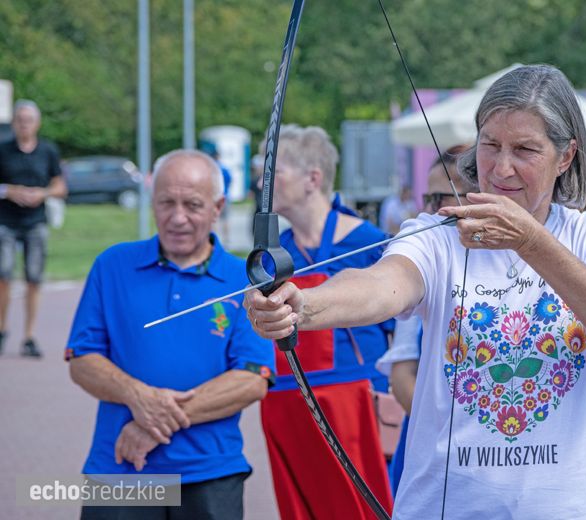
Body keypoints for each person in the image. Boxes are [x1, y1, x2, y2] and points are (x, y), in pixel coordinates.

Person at [246, 65, 586, 518]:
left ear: (565, 155)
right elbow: (384, 285)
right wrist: (306, 304)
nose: (501, 168)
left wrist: (531, 242)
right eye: (490, 145)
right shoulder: (437, 234)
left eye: (525, 150)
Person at [66, 149, 276, 520]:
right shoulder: (112, 265)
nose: (178, 217)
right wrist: (138, 396)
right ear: (152, 200)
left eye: (193, 205)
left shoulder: (245, 279)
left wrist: (150, 424)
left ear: (218, 207)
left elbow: (252, 379)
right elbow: (82, 360)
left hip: (210, 472)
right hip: (120, 468)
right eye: (166, 202)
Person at [256, 124, 394, 520]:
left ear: (312, 178)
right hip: (292, 405)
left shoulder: (371, 243)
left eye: (273, 172)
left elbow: (402, 334)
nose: (261, 183)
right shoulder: (270, 254)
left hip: (362, 406)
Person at [374, 145, 470, 495]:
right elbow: (402, 376)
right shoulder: (428, 257)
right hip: (435, 449)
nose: (428, 209)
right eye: (427, 198)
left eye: (438, 198)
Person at [0, 100, 68, 357]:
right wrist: (9, 191)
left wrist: (43, 193)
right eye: (20, 120)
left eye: (29, 120)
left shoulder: (47, 151)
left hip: (35, 221)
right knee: (3, 273)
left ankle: (29, 335)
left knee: (34, 278)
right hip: (6, 219)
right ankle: (3, 327)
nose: (24, 124)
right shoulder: (3, 150)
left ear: (37, 123)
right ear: (14, 123)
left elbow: (61, 188)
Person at [209, 151, 232, 248]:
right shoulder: (224, 168)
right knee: (225, 220)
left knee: (214, 220)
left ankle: (215, 241)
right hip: (225, 197)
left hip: (214, 197)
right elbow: (230, 180)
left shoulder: (211, 170)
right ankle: (226, 241)